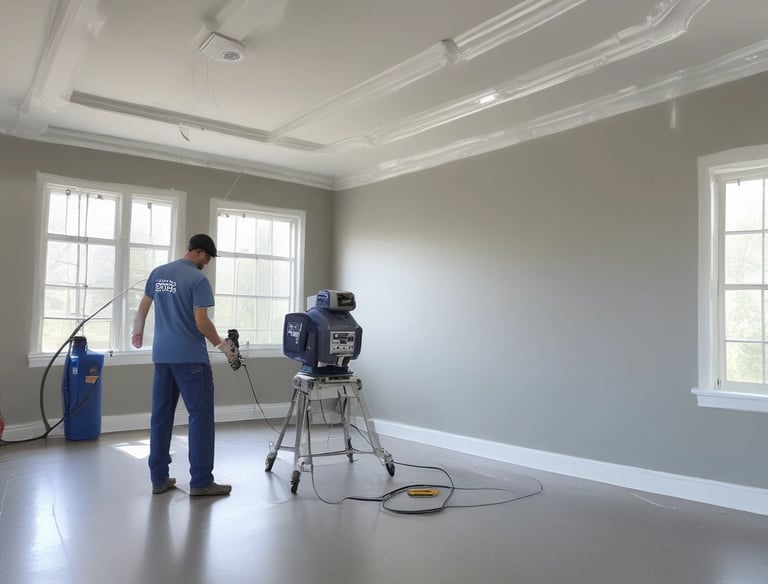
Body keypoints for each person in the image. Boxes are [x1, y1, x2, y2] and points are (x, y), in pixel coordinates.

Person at [131, 233, 240, 496]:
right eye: (208, 258)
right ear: (199, 253)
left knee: (161, 417)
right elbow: (201, 321)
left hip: (162, 357)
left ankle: (159, 479)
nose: (207, 263)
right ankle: (201, 482)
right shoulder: (198, 280)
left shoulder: (158, 273)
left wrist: (137, 331)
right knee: (201, 418)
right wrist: (224, 347)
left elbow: (143, 308)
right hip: (191, 359)